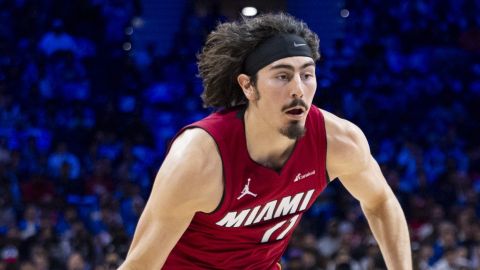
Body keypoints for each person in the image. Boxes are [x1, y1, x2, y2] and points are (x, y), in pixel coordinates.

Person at [119, 13, 412, 269]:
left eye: (307, 75)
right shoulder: (199, 159)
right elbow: (141, 264)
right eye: (282, 76)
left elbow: (380, 200)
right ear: (248, 85)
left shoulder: (338, 141)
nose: (298, 89)